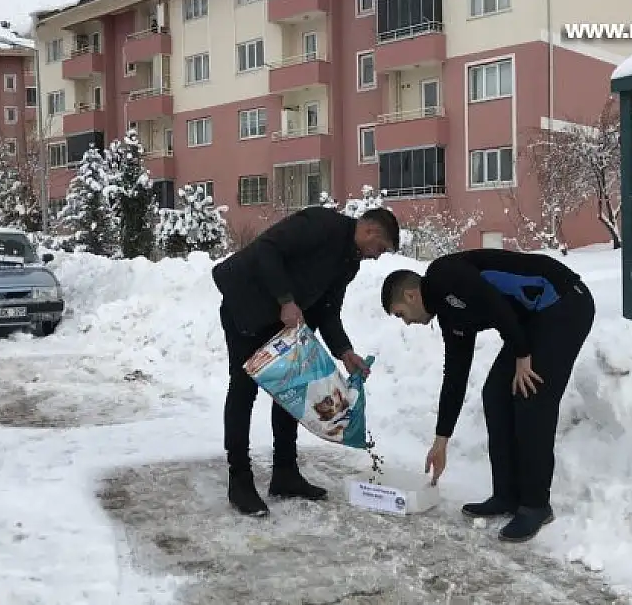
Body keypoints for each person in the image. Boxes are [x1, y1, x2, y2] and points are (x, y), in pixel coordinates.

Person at [379, 248, 595, 542]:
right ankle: (506, 495)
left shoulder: (443, 275)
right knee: (495, 393)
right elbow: (455, 375)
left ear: (410, 296)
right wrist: (441, 440)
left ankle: (535, 505)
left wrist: (522, 354)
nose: (406, 322)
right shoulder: (450, 316)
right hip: (530, 319)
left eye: (401, 315)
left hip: (564, 302)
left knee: (531, 395)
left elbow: (493, 302)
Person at [212, 205, 400, 517]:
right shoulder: (320, 224)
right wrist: (286, 300)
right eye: (380, 248)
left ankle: (285, 472)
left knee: (294, 389)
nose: (377, 255)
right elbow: (266, 251)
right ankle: (240, 480)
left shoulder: (349, 262)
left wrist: (344, 351)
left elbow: (327, 310)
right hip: (246, 303)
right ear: (370, 231)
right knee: (244, 390)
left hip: (283, 320)